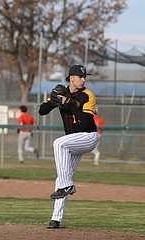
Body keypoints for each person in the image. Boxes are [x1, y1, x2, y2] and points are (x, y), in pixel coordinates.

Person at [39, 64, 99, 229]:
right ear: (71, 78)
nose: (83, 79)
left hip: (88, 137)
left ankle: (67, 186)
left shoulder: (88, 95)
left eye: (85, 77)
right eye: (80, 77)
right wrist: (53, 100)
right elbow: (42, 111)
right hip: (72, 141)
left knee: (58, 143)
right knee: (62, 178)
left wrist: (69, 104)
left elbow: (87, 121)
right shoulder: (62, 92)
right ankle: (55, 219)